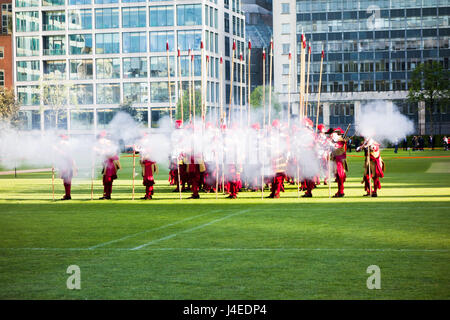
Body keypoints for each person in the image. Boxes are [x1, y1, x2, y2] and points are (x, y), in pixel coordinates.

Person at [328, 127, 347, 198]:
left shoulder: (341, 140)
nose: (332, 134)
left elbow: (336, 146)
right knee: (338, 177)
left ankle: (341, 191)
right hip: (336, 160)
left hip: (340, 160)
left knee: (340, 176)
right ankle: (340, 191)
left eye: (334, 133)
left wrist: (331, 144)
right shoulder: (335, 140)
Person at [55, 135, 76, 200]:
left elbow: (71, 159)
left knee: (67, 182)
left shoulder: (67, 149)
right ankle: (67, 195)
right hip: (65, 167)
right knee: (66, 182)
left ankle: (68, 195)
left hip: (67, 168)